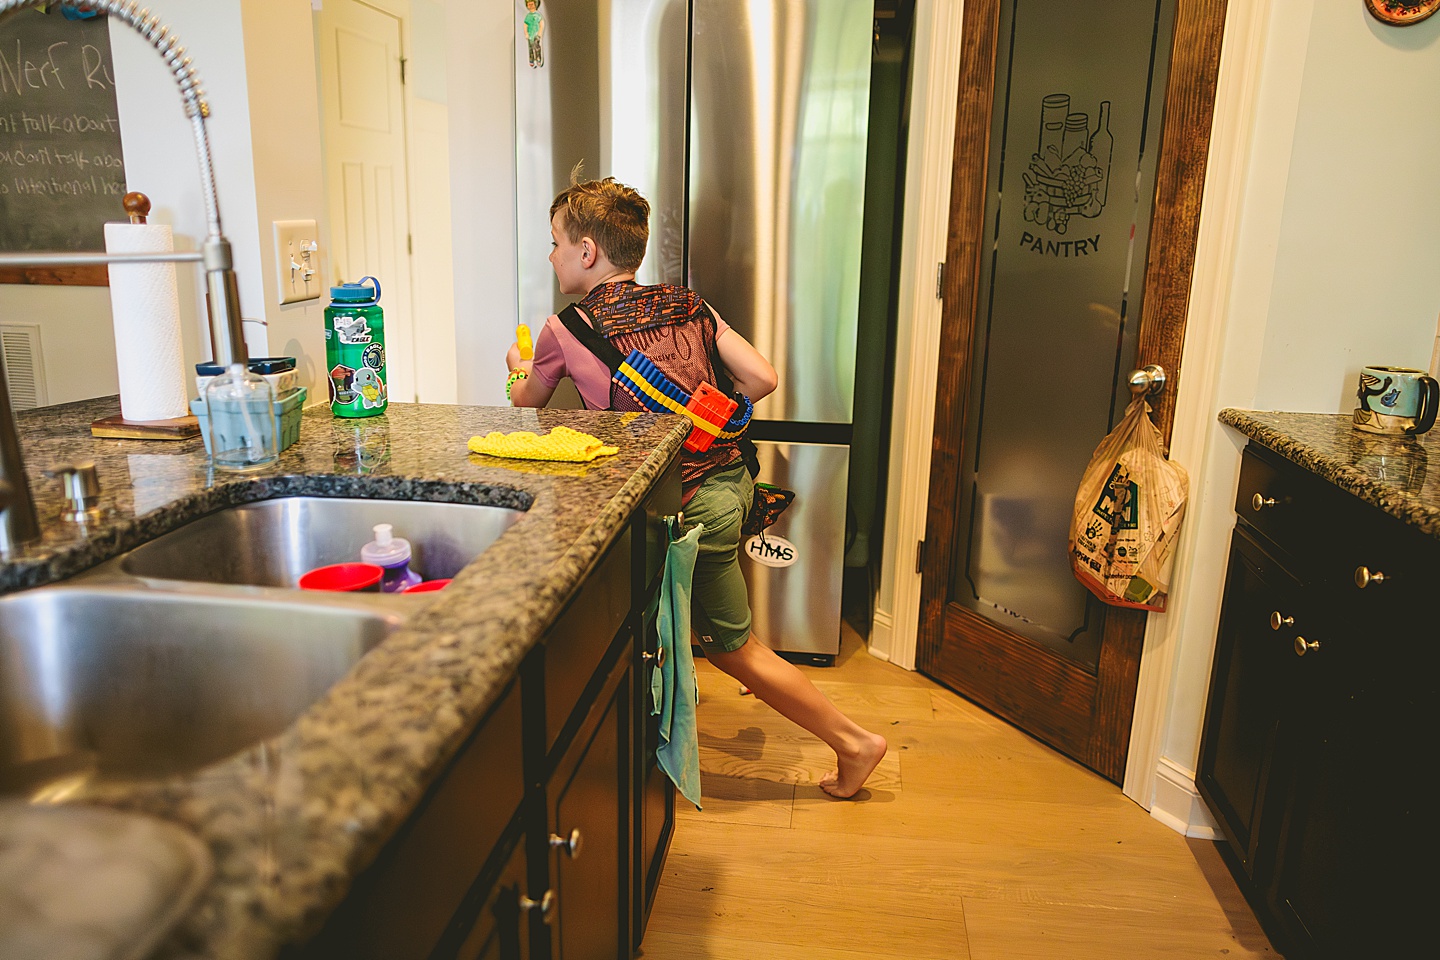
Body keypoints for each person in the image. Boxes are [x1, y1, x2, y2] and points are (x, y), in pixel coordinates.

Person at [505, 175, 888, 799]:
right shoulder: (689, 304)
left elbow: (528, 402)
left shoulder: (564, 330)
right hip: (734, 478)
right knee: (702, 608)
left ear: (586, 252)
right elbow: (762, 378)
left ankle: (854, 742)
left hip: (682, 503)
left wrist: (519, 370)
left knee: (735, 646)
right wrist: (703, 418)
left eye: (554, 243)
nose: (549, 256)